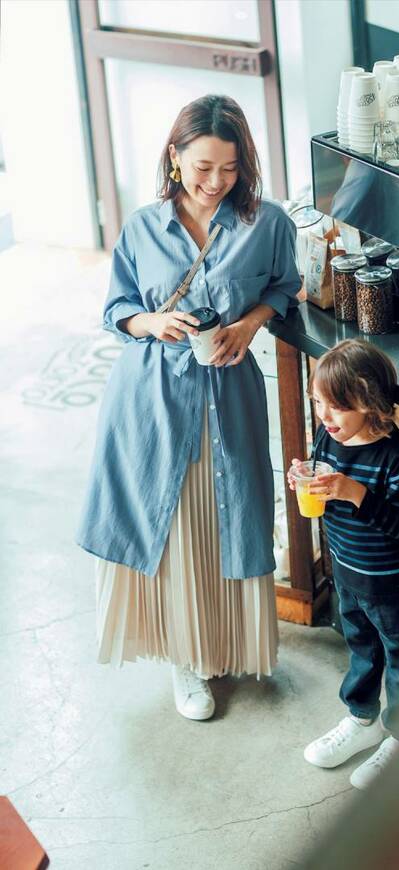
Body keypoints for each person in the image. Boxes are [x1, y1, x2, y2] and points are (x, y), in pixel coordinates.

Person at [77, 94, 301, 720]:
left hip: (229, 394)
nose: (215, 183)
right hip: (150, 398)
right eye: (202, 167)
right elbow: (116, 310)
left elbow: (284, 286)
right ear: (175, 159)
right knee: (173, 527)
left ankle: (225, 644)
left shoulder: (268, 222)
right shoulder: (143, 228)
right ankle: (186, 660)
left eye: (229, 169)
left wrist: (249, 325)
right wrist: (152, 320)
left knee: (230, 518)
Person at [288, 339, 399, 789]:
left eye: (336, 408)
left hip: (393, 580)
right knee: (362, 648)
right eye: (318, 404)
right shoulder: (326, 439)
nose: (324, 419)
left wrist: (355, 492)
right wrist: (304, 479)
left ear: (369, 403)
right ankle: (362, 719)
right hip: (348, 569)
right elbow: (325, 494)